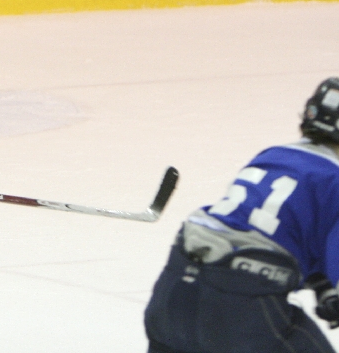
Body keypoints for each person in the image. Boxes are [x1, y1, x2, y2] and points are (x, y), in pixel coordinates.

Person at [144, 77, 339, 353]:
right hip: (242, 309)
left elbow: (269, 231)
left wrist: (320, 284)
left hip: (173, 292)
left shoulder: (272, 156)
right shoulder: (335, 179)